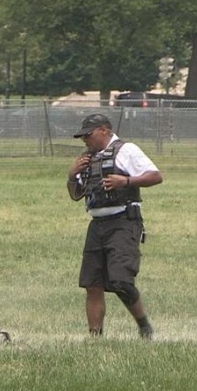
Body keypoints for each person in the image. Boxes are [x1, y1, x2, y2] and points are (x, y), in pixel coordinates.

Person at [66, 114, 163, 340]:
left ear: (104, 130)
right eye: (83, 137)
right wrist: (72, 175)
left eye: (88, 135)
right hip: (97, 224)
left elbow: (156, 176)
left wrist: (126, 181)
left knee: (121, 280)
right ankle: (95, 338)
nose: (85, 141)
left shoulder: (126, 150)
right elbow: (75, 195)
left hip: (123, 221)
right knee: (92, 283)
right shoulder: (87, 159)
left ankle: (144, 326)